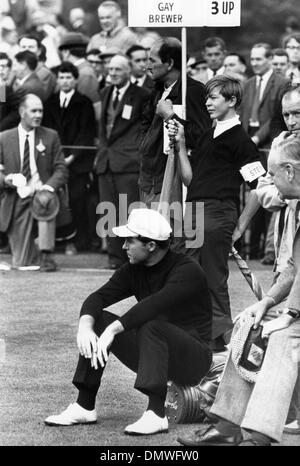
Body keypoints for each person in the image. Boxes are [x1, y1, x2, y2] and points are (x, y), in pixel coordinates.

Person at [177, 134, 300, 447]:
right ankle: (227, 427)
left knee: (280, 339)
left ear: (289, 171)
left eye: (271, 175)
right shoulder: (296, 207)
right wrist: (268, 302)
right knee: (249, 322)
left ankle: (258, 436)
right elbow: (294, 270)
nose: (267, 183)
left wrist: (289, 315)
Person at [44, 208, 212, 434]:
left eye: (129, 241)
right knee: (99, 318)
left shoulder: (188, 270)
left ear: (151, 245)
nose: (123, 247)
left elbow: (153, 306)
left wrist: (113, 331)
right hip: (155, 352)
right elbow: (98, 297)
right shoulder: (134, 268)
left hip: (193, 361)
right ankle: (84, 405)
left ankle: (156, 413)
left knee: (151, 324)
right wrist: (85, 326)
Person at [167, 75, 265, 352]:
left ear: (232, 101)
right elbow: (190, 181)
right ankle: (199, 340)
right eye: (207, 97)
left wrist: (240, 227)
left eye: (214, 98)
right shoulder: (210, 135)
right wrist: (182, 143)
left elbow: (259, 188)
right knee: (187, 277)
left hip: (218, 213)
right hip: (194, 210)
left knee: (212, 281)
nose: (207, 102)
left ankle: (227, 349)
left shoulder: (242, 141)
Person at [93, 54, 150, 269]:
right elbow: (103, 130)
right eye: (111, 69)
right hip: (106, 162)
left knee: (129, 212)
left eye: (118, 69)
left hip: (128, 163)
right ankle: (113, 257)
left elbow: (144, 130)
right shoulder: (105, 93)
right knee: (108, 212)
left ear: (128, 71)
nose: (113, 73)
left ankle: (131, 256)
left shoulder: (142, 95)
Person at [139, 37, 211, 206]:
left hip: (175, 182)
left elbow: (201, 136)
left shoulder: (193, 92)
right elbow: (144, 126)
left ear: (169, 63)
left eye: (152, 60)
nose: (147, 66)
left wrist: (170, 116)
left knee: (171, 230)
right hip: (149, 179)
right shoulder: (155, 91)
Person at [0, 93, 68, 271]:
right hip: (16, 197)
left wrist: (47, 187)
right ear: (22, 112)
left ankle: (46, 254)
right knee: (23, 262)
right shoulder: (4, 138)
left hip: (42, 195)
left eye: (41, 111)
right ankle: (31, 255)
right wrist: (8, 179)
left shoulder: (51, 136)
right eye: (34, 111)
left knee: (45, 200)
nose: (38, 115)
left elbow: (61, 169)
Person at [239, 42, 289, 260]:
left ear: (269, 59)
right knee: (252, 194)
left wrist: (258, 137)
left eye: (259, 59)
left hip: (269, 146)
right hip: (249, 146)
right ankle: (251, 248)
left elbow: (276, 117)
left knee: (269, 193)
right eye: (252, 59)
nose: (255, 63)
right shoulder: (247, 84)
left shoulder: (282, 83)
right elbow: (242, 113)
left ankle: (268, 249)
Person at [42, 61, 97, 254]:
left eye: (68, 77)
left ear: (75, 80)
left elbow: (86, 133)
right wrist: (56, 158)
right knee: (55, 200)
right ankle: (56, 240)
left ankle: (78, 241)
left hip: (77, 163)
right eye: (62, 77)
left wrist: (72, 157)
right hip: (54, 162)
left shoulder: (84, 103)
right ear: (57, 80)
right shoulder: (49, 102)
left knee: (77, 200)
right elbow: (47, 130)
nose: (65, 81)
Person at [58, 32, 100, 106]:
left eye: (62, 52)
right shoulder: (82, 70)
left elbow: (85, 105)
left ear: (66, 52)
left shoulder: (86, 73)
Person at [18, 34, 56, 100]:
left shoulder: (45, 73)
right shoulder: (16, 69)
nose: (27, 50)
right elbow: (3, 98)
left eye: (31, 47)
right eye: (23, 47)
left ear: (39, 51)